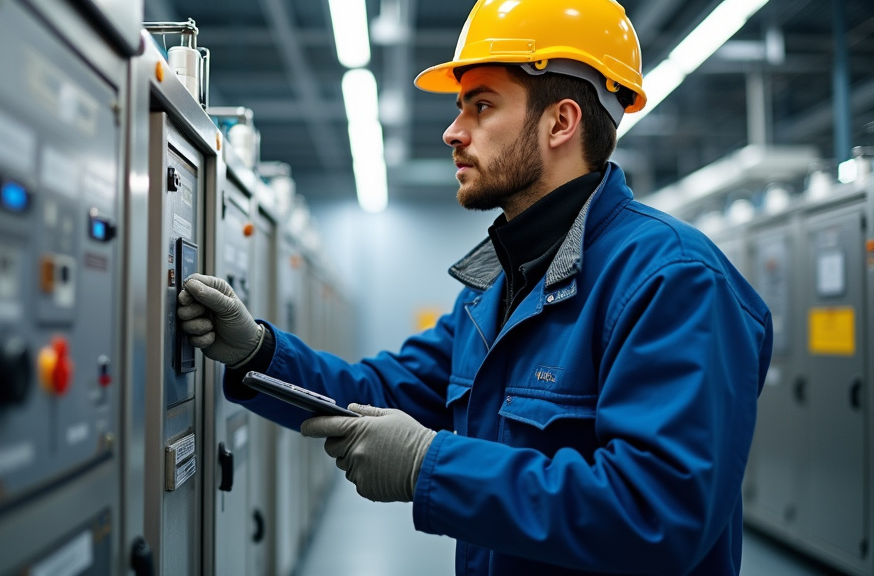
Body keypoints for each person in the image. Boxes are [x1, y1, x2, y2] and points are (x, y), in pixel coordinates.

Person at [177, 0, 774, 574]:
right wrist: (256, 352)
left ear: (560, 122)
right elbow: (377, 390)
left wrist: (431, 466)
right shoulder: (496, 290)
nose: (452, 132)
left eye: (481, 106)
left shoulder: (672, 281)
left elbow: (658, 514)